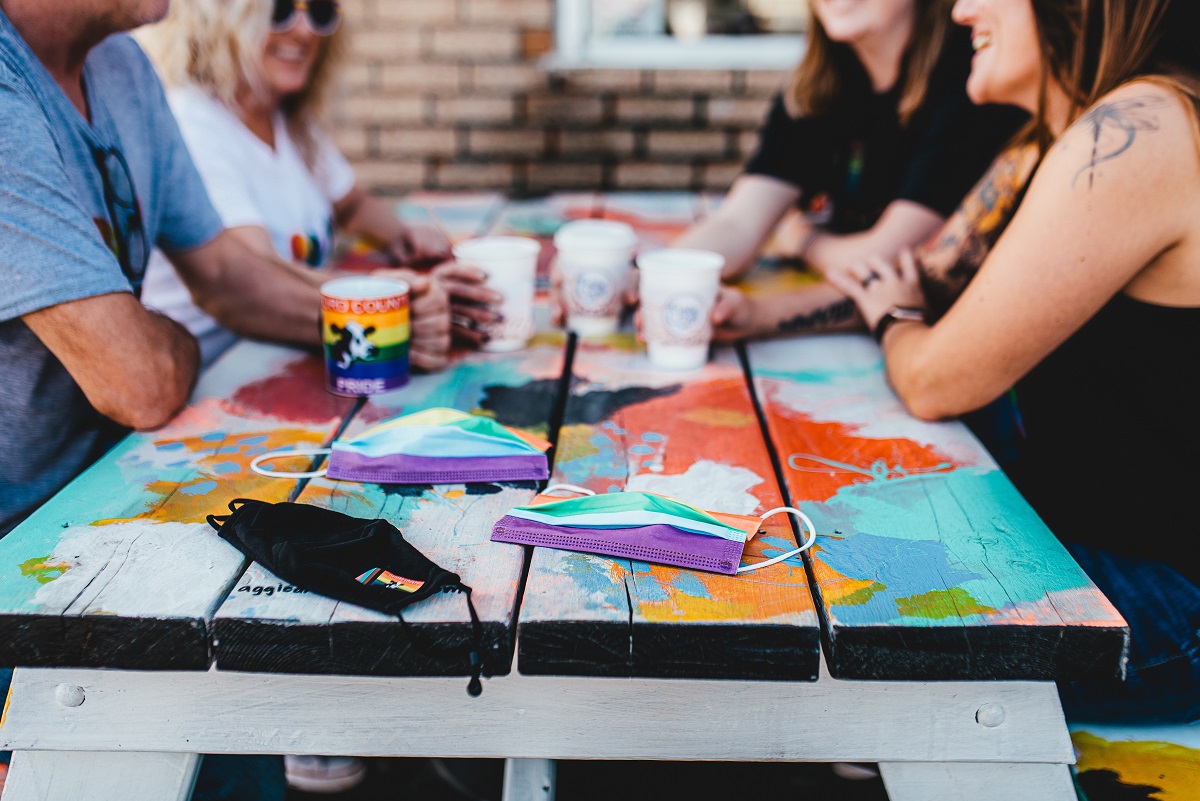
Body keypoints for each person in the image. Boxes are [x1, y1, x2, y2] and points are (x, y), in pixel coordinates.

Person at [0, 0, 446, 797]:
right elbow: (136, 380)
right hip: (20, 567)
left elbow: (228, 277)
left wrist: (386, 322)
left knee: (247, 743)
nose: (305, 23)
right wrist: (166, 338)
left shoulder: (122, 67)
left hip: (110, 498)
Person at [827, 0, 1200, 724]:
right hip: (1089, 557)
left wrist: (899, 322)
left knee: (823, 605)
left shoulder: (1139, 131)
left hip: (1164, 606)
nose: (961, 8)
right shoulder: (1052, 142)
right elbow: (910, 272)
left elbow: (937, 378)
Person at [136, 0, 490, 368]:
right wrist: (386, 301)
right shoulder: (194, 125)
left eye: (321, 10)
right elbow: (254, 275)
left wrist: (405, 236)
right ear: (218, 17)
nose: (305, 30)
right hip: (218, 381)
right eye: (279, 10)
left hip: (287, 356)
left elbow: (350, 204)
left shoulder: (287, 120)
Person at [671, 0, 1026, 282]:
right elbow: (737, 224)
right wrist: (649, 274)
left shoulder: (970, 78)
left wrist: (803, 241)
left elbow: (888, 260)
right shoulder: (820, 85)